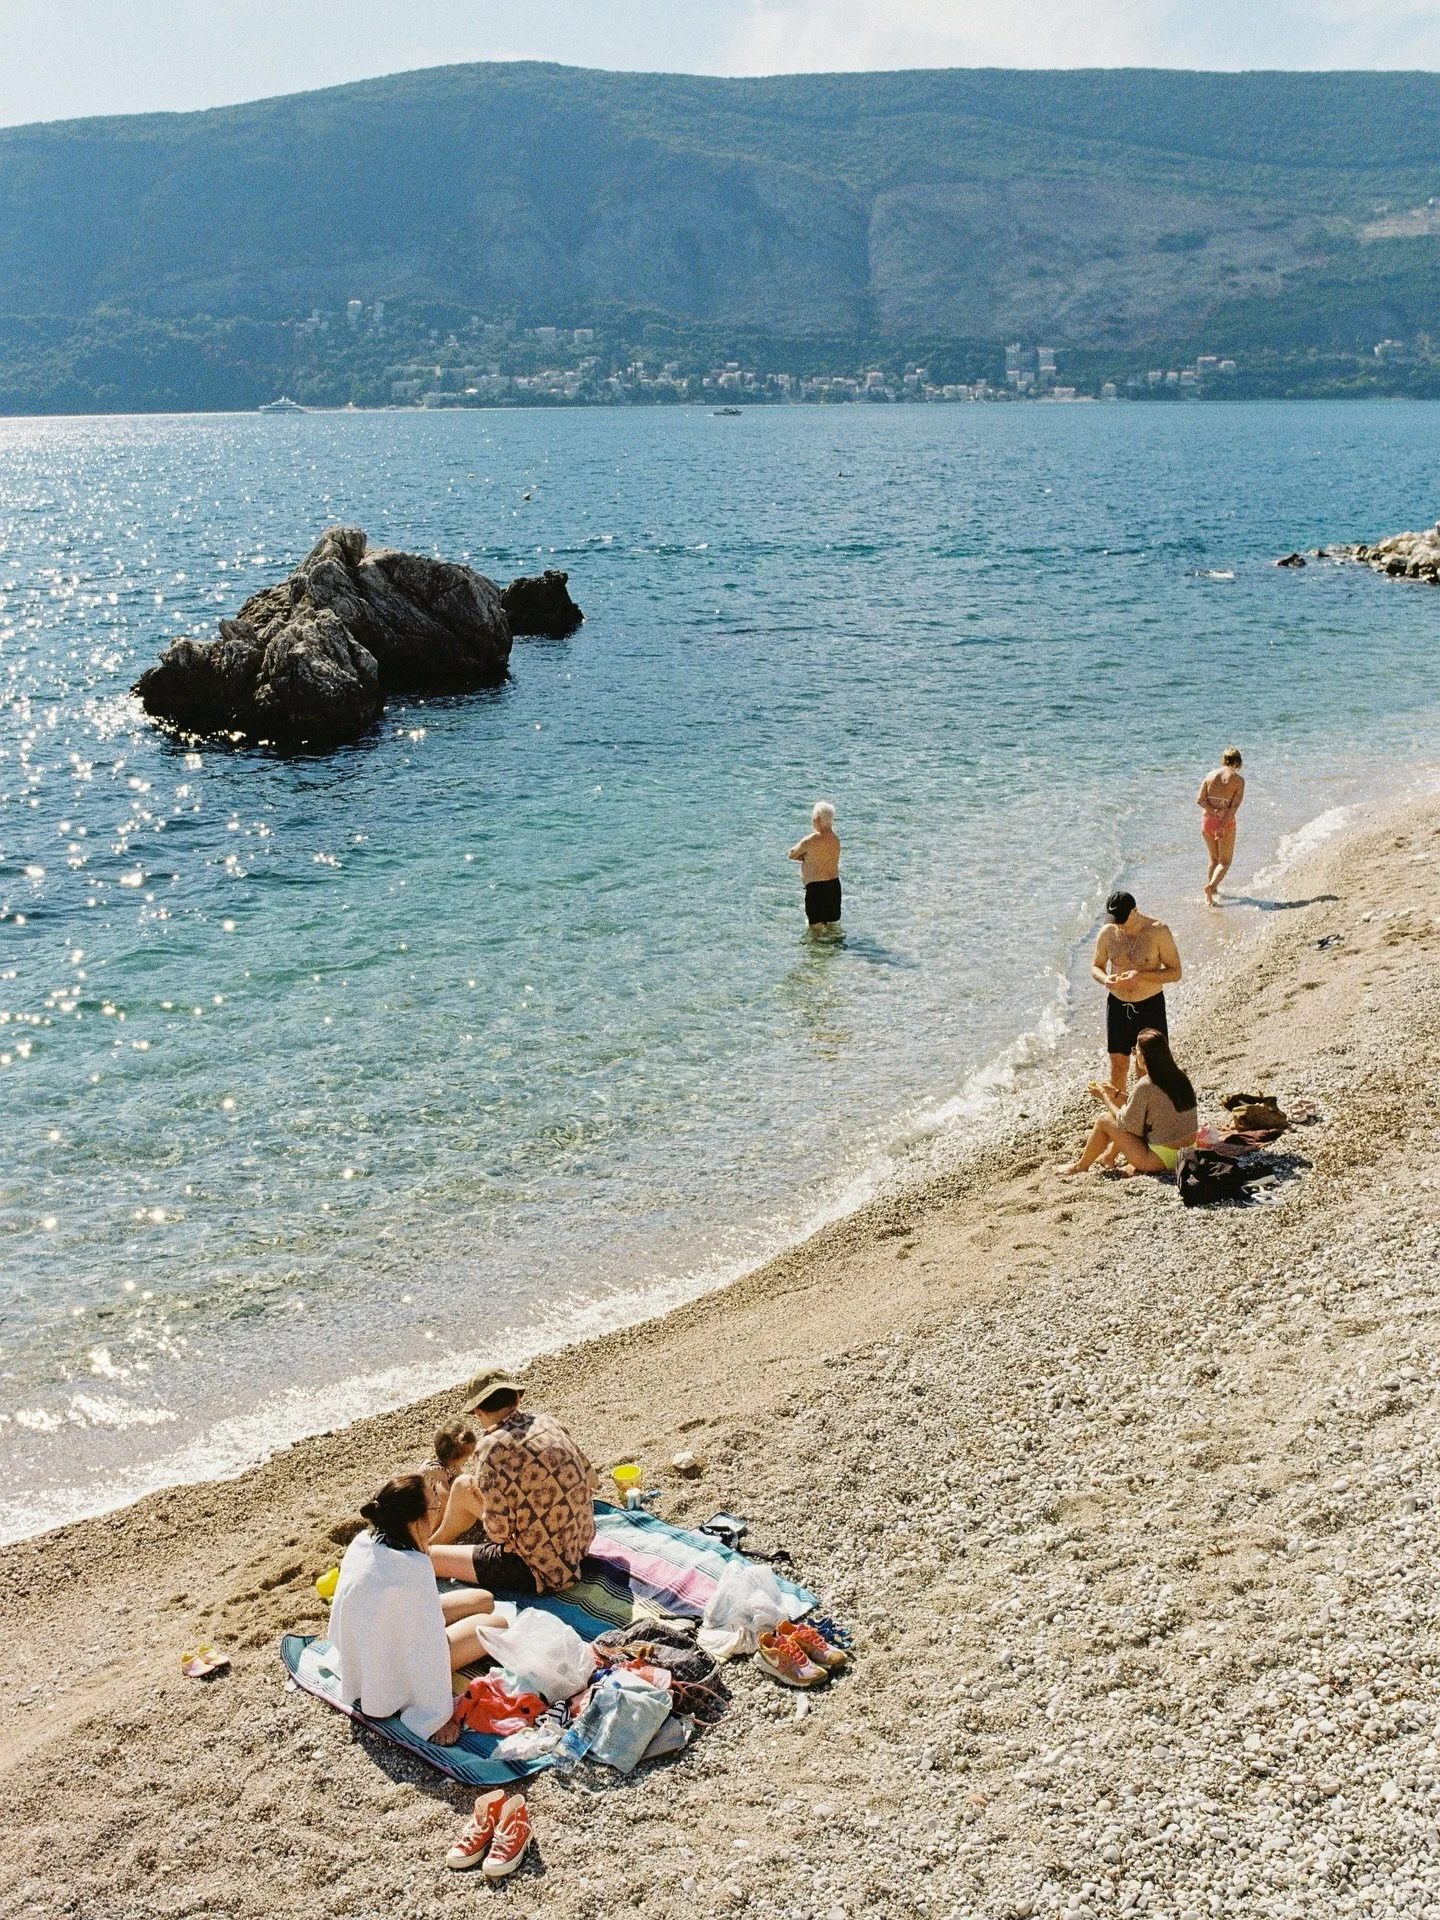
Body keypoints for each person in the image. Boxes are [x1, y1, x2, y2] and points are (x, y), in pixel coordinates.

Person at [329, 1474, 500, 1747]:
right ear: (413, 1519)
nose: (437, 1513)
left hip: (366, 1647)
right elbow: (426, 1656)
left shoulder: (362, 1541)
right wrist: (437, 1715)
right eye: (434, 1507)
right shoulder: (413, 1568)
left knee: (484, 1599)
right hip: (392, 1664)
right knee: (497, 1623)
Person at [429, 1367, 600, 1596]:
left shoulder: (491, 1448)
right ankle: (435, 1541)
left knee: (432, 1559)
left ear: (478, 1412)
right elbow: (592, 1480)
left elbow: (498, 1533)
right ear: (517, 1398)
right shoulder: (548, 1422)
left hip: (539, 1570)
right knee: (462, 1486)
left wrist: (487, 1500)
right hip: (579, 1546)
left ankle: (427, 1548)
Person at [1059, 1028, 1198, 1177]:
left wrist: (1104, 1096)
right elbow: (1153, 1106)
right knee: (1136, 1119)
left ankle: (1080, 1167)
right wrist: (1117, 1094)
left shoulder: (1146, 1084)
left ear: (1144, 1057)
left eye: (1135, 1051)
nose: (1133, 1054)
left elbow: (1125, 1122)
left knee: (1104, 1120)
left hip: (1163, 1159)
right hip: (1188, 1151)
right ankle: (1107, 1158)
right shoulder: (1178, 1076)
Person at [1091, 890, 1183, 1100]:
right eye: (1116, 920)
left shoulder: (1158, 931)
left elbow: (1175, 972)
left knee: (1146, 1068)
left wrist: (1141, 976)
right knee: (1118, 1066)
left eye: (1123, 919)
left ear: (1135, 911)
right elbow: (1096, 966)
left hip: (1150, 1006)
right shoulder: (1108, 933)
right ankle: (1119, 1116)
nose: (1119, 924)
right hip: (1118, 1006)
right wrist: (1105, 979)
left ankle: (1143, 1115)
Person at [1197, 748, 1245, 903]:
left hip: (1207, 822)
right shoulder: (1238, 780)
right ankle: (1211, 886)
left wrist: (1214, 811)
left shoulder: (1210, 775)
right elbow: (1233, 807)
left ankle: (1210, 896)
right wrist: (1222, 824)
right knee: (1224, 862)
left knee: (1213, 859)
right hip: (1225, 823)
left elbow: (1200, 800)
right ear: (1237, 762)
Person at [788, 800, 842, 930]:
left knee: (815, 931)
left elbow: (791, 853)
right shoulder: (836, 839)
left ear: (818, 820)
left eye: (813, 818)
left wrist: (803, 857)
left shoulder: (811, 840)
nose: (812, 822)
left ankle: (816, 951)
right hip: (834, 887)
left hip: (816, 889)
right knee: (832, 928)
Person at [419, 1419, 477, 1513]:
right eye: (466, 1458)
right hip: (427, 1507)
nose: (469, 1459)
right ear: (455, 1459)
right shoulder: (436, 1469)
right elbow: (444, 1496)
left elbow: (461, 1478)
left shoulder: (451, 1465)